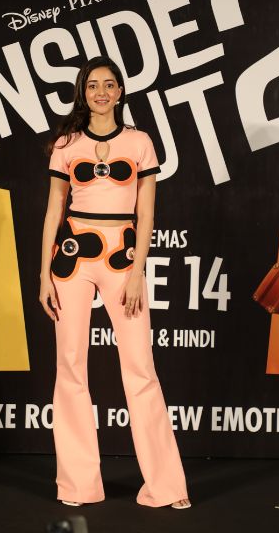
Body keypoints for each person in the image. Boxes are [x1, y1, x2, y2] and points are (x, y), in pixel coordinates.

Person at [39, 56, 191, 510]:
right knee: (70, 367)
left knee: (141, 368)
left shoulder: (140, 142)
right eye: (92, 85)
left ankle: (166, 486)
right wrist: (43, 273)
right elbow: (54, 209)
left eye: (109, 85)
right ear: (82, 93)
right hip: (72, 260)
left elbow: (146, 212)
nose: (101, 92)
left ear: (120, 92)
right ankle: (77, 486)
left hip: (123, 259)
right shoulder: (66, 144)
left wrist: (138, 270)